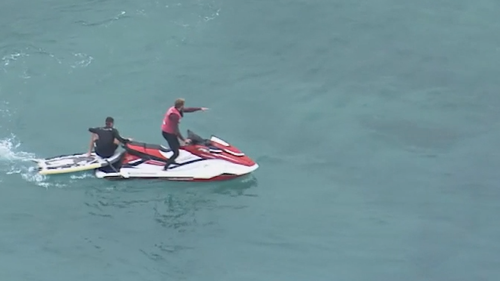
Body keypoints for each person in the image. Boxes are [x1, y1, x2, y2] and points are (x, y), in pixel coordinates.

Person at [161, 98, 208, 170]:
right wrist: (184, 140)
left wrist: (200, 109)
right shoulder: (174, 115)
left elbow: (188, 109)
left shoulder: (175, 108)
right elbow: (175, 130)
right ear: (181, 105)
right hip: (168, 133)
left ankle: (172, 159)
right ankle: (165, 168)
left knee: (178, 146)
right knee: (176, 153)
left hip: (169, 131)